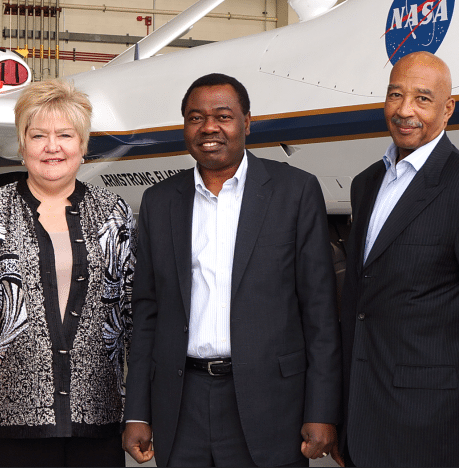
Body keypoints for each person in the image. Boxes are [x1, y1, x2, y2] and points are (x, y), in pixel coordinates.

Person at [122, 73, 341, 467]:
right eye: (195, 117)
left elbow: (320, 312)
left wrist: (322, 409)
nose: (209, 127)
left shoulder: (295, 191)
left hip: (271, 404)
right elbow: (147, 314)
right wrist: (137, 411)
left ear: (246, 123)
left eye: (223, 116)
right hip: (181, 402)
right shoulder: (159, 202)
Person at [335, 51, 459, 467]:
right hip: (361, 419)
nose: (405, 110)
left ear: (448, 110)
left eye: (423, 99)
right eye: (396, 95)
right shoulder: (366, 184)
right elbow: (359, 307)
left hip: (434, 430)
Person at [0, 79, 137, 467]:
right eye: (38, 135)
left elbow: (134, 315)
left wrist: (141, 411)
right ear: (22, 146)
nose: (52, 146)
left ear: (83, 145)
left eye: (64, 135)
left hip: (98, 420)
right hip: (7, 423)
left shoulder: (112, 212)